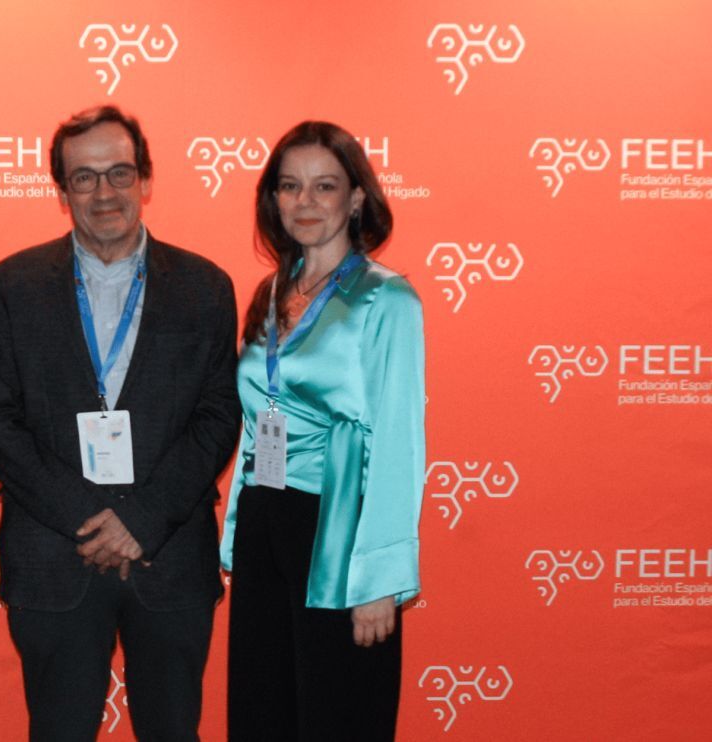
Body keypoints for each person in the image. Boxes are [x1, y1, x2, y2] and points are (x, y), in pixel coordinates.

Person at [0, 105, 241, 741]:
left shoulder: (205, 287)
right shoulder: (11, 286)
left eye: (119, 173)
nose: (104, 193)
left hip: (170, 555)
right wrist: (90, 517)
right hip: (54, 554)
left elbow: (218, 415)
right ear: (62, 191)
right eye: (84, 178)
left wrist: (141, 520)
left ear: (145, 179)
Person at [219, 121, 426, 740]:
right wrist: (238, 531)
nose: (304, 202)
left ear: (356, 198)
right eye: (290, 186)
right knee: (262, 713)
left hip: (338, 530)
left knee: (338, 715)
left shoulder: (388, 300)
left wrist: (379, 578)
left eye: (324, 186)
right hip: (265, 522)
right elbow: (257, 421)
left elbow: (398, 442)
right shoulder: (272, 292)